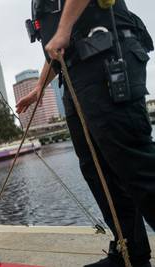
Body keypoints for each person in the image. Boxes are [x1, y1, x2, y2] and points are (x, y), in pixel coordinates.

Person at [18, 1, 155, 266]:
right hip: (75, 73)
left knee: (134, 164)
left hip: (103, 59)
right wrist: (38, 88)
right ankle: (130, 252)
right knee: (97, 170)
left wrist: (64, 29)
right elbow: (58, 47)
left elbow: (63, 34)